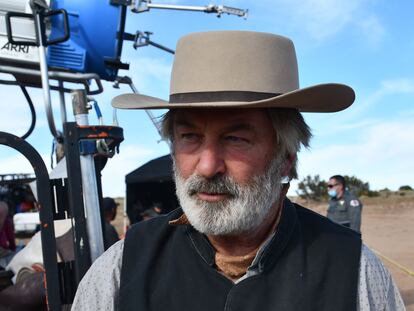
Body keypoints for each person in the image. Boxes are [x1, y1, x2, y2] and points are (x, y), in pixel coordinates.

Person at [72, 31, 404, 310]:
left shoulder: (353, 270)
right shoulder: (121, 268)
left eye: (235, 139)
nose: (207, 166)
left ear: (285, 156)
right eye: (189, 137)